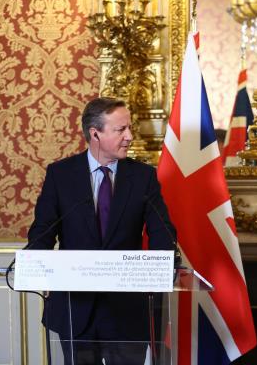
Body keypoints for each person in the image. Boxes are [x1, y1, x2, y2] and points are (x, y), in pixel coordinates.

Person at [27, 97, 177, 365]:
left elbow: (163, 233)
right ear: (95, 133)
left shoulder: (143, 177)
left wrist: (165, 266)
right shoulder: (61, 175)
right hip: (76, 309)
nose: (129, 136)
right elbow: (42, 234)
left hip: (128, 311)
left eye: (129, 128)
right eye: (121, 130)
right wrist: (37, 267)